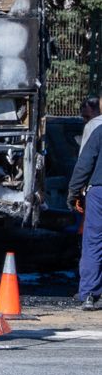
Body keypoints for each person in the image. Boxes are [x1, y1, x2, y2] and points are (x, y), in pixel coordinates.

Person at [68, 119, 102, 310]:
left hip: (99, 191)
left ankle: (89, 294)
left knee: (94, 242)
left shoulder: (99, 131)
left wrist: (73, 192)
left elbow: (85, 163)